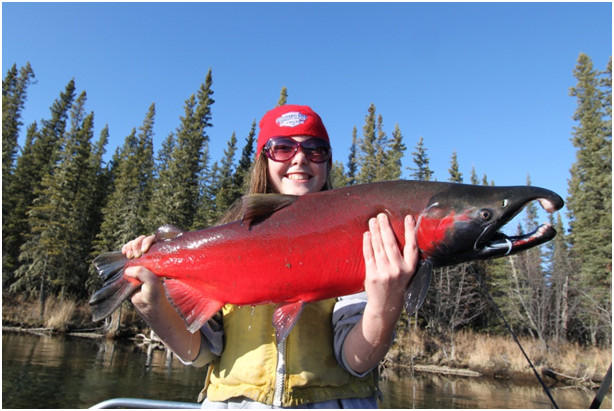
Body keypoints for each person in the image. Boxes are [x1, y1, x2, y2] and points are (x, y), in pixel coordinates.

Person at [121, 104, 418, 408]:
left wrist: (385, 303)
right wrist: (154, 307)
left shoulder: (362, 240)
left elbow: (355, 360)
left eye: (315, 150)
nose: (300, 157)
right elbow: (199, 352)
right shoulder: (222, 241)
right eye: (283, 148)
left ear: (328, 163)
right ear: (264, 160)